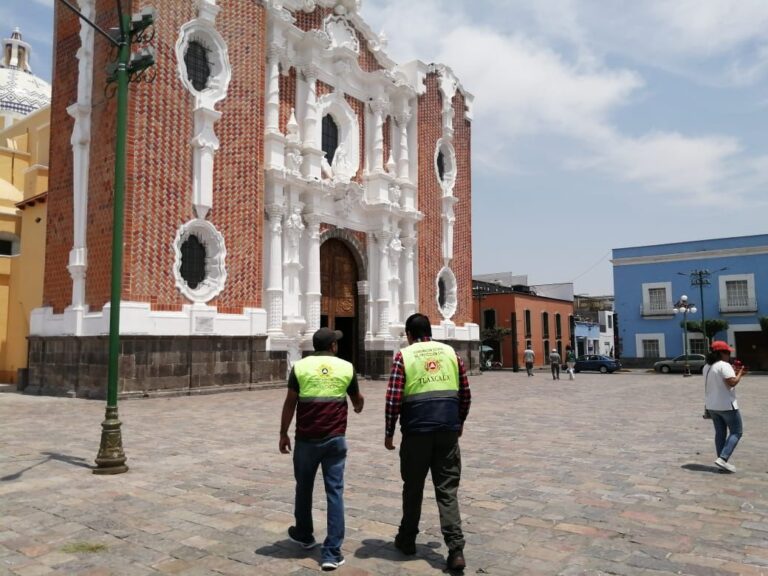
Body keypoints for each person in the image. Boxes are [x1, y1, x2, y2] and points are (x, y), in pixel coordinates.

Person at [384, 313, 471, 572]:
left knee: (413, 487)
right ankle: (455, 549)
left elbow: (393, 398)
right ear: (430, 332)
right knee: (447, 490)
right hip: (447, 430)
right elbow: (465, 393)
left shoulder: (404, 356)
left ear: (409, 335)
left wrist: (389, 432)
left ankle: (407, 539)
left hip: (416, 432)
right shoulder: (451, 353)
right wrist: (459, 421)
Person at [279, 327, 365, 571]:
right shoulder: (346, 367)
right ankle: (332, 552)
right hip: (335, 439)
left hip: (306, 440)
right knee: (334, 492)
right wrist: (359, 405)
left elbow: (290, 403)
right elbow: (357, 400)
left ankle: (304, 534)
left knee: (303, 488)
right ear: (333, 346)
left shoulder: (300, 367)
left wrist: (283, 433)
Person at [703, 340, 746, 473]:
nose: (729, 355)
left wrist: (733, 372)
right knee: (737, 432)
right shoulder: (724, 365)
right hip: (726, 405)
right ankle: (723, 458)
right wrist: (740, 373)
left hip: (712, 405)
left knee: (720, 433)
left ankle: (721, 461)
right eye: (727, 352)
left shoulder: (707, 366)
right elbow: (732, 382)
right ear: (721, 353)